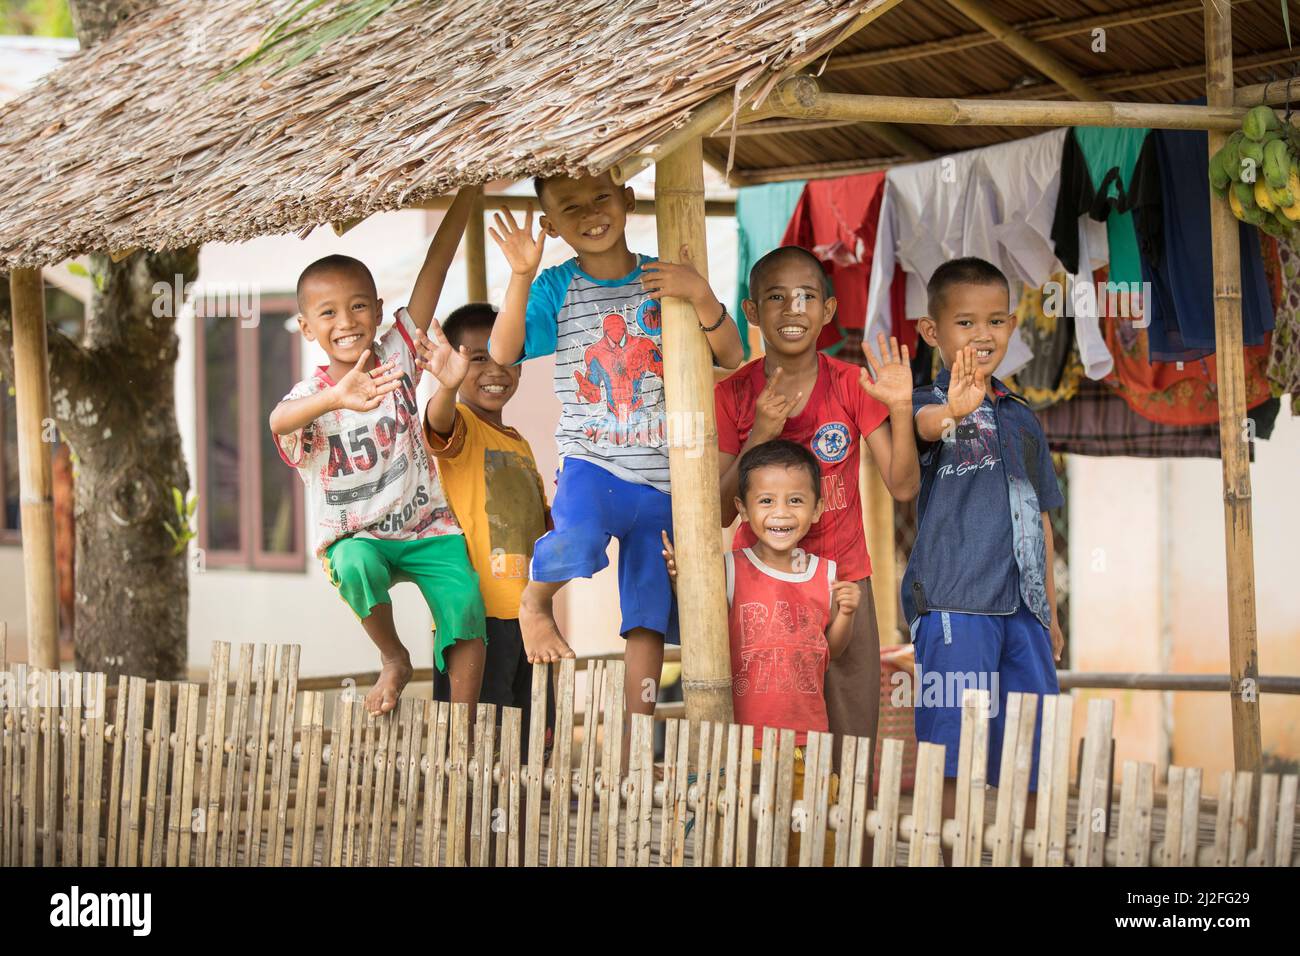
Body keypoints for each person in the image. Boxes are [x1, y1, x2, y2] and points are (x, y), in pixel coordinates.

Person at [485, 170, 744, 732]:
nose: (590, 213)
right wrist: (521, 276)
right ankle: (534, 602)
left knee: (648, 613)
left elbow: (732, 352)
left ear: (628, 200)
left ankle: (634, 731)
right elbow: (502, 351)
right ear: (551, 226)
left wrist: (699, 292)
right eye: (570, 208)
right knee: (576, 539)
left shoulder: (665, 278)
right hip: (591, 463)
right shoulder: (556, 286)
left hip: (665, 479)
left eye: (602, 197)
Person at [269, 188, 486, 716]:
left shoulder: (395, 354)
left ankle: (461, 731)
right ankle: (393, 658)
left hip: (426, 525)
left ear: (379, 310)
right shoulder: (310, 398)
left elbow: (435, 268)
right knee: (355, 562)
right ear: (306, 327)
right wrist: (336, 397)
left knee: (465, 606)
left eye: (359, 305)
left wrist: (468, 194)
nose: (346, 321)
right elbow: (277, 421)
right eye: (328, 313)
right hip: (359, 534)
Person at [714, 245, 920, 749]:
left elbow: (904, 485)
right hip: (764, 592)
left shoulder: (850, 384)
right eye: (776, 298)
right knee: (769, 738)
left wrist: (900, 407)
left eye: (807, 297)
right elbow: (720, 511)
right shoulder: (733, 395)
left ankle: (847, 832)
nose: (792, 309)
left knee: (852, 740)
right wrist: (761, 431)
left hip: (845, 584)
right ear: (752, 312)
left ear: (827, 312)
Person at [904, 256, 1065, 804]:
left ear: (1012, 325)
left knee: (1031, 753)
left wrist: (1051, 613)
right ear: (932, 330)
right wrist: (954, 408)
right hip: (956, 604)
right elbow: (927, 429)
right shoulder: (922, 404)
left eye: (996, 321)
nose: (982, 335)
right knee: (954, 753)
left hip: (1025, 610)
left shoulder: (1021, 415)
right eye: (965, 322)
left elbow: (1041, 514)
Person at [662, 439, 857, 864]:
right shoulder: (731, 567)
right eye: (766, 500)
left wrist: (845, 613)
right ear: (744, 508)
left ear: (818, 509)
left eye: (796, 500)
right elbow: (701, 620)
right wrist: (683, 580)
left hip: (810, 742)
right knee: (748, 841)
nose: (781, 512)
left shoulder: (826, 574)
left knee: (809, 844)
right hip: (746, 744)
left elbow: (832, 652)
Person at [418, 302, 554, 745]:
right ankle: (469, 818)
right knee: (474, 744)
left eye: (506, 356)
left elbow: (541, 528)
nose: (495, 369)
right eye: (477, 358)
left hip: (529, 617)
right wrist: (446, 387)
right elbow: (438, 421)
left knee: (530, 747)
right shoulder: (462, 426)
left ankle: (513, 820)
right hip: (476, 621)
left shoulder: (521, 444)